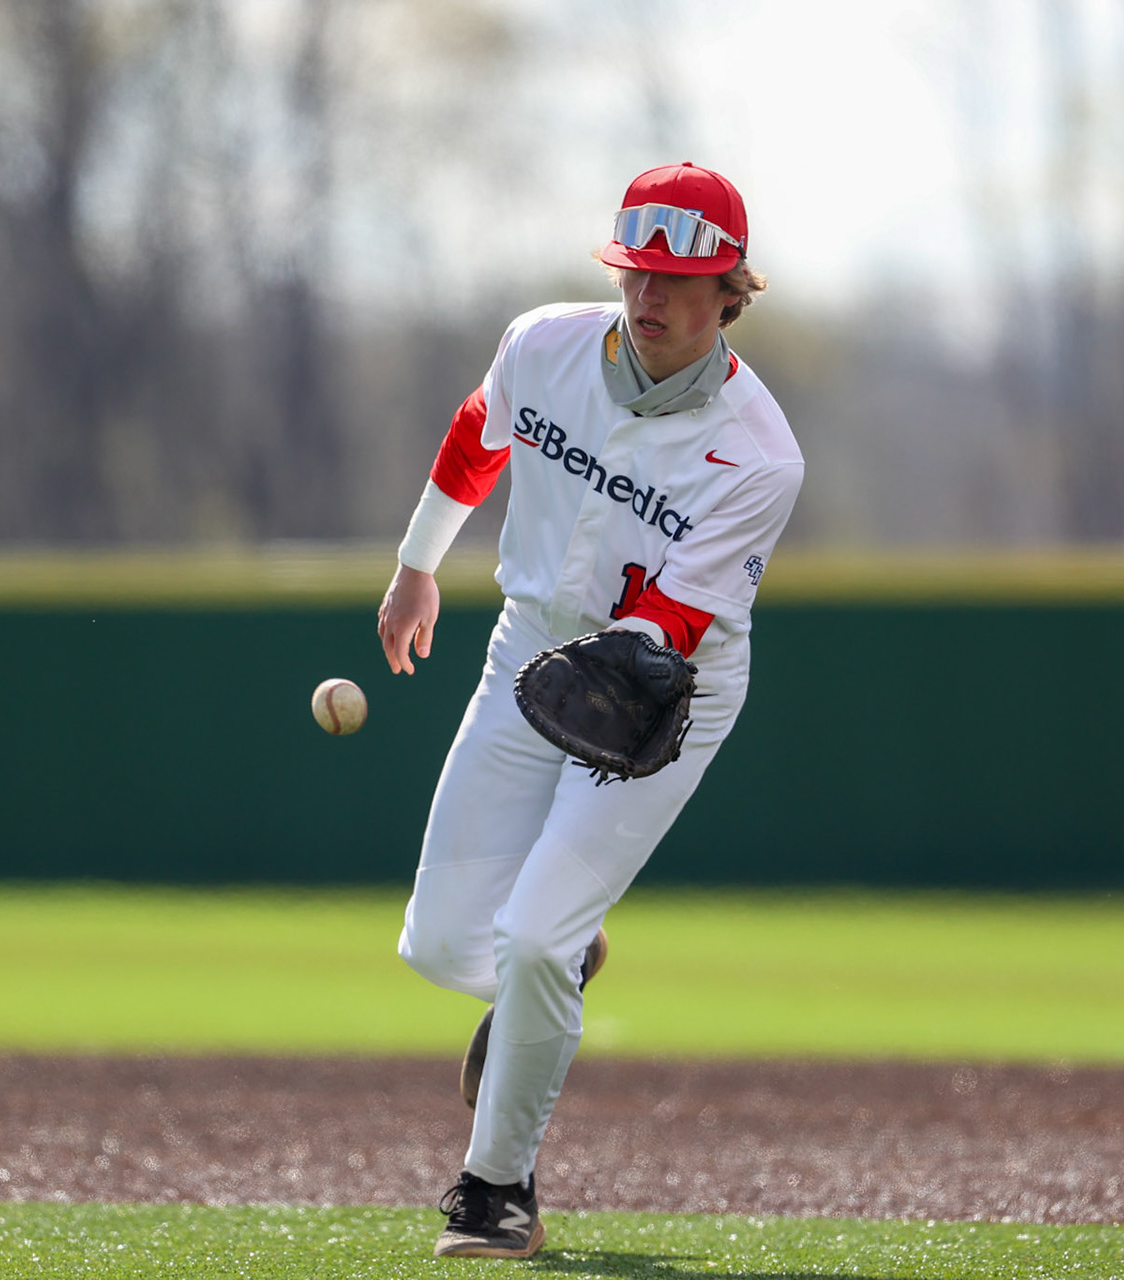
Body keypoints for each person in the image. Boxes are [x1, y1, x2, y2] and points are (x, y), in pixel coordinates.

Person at [376, 161, 803, 1260]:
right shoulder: (544, 345)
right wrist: (417, 565)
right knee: (446, 943)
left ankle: (495, 1191)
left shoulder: (760, 454)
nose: (648, 295)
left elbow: (675, 620)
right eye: (634, 270)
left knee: (533, 934)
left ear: (729, 292)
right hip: (529, 644)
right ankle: (555, 965)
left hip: (666, 686)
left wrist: (626, 658)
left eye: (677, 279)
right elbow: (479, 433)